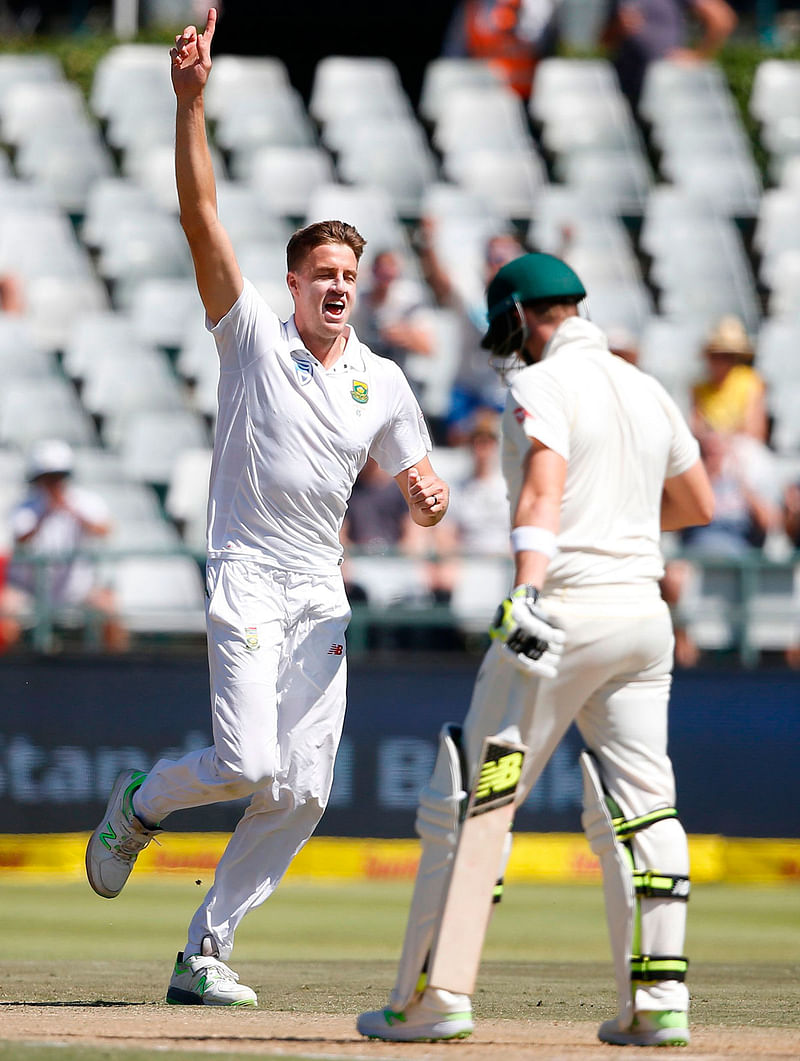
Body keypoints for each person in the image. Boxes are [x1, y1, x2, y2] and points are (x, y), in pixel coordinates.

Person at [85, 7, 450, 1009]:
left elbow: (423, 495)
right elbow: (202, 216)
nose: (336, 286)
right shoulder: (250, 334)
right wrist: (190, 104)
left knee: (302, 788)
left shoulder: (381, 379)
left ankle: (204, 952)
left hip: (316, 591)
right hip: (245, 569)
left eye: (348, 274)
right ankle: (142, 801)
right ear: (292, 284)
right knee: (246, 761)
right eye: (320, 274)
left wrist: (426, 493)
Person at [357, 252, 713, 1046]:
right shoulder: (646, 387)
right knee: (645, 804)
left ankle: (434, 995)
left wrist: (528, 584)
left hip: (565, 613)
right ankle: (658, 1004)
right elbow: (697, 502)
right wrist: (617, 514)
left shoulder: (542, 384)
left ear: (521, 314)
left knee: (473, 796)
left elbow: (543, 485)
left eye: (505, 327)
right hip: (642, 618)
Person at [660, 428, 781, 666]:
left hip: (739, 561)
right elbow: (670, 525)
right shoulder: (689, 488)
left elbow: (769, 523)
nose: (712, 458)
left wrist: (743, 487)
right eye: (706, 453)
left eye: (716, 452)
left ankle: (751, 651)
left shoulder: (739, 485)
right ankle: (684, 641)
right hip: (695, 558)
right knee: (672, 576)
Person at [1, 438, 127, 653]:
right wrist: (45, 513)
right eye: (48, 478)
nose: (54, 483)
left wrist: (72, 511)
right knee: (4, 612)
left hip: (77, 589)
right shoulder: (26, 505)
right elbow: (21, 539)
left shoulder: (84, 501)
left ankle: (119, 676)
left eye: (59, 477)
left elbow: (104, 530)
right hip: (30, 589)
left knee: (109, 609)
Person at [601, 0, 737, 110]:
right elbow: (604, 41)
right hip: (625, 86)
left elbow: (721, 18)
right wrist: (618, 27)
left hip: (666, 90)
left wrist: (698, 56)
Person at [442, 0, 561, 100]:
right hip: (483, 98)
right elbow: (453, 60)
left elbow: (550, 51)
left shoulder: (544, 6)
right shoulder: (472, 7)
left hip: (532, 99)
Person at [689, 314, 769, 445]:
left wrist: (721, 436)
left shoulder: (751, 382)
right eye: (715, 355)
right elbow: (696, 430)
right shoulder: (698, 388)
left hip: (742, 453)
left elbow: (755, 432)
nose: (720, 361)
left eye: (726, 356)